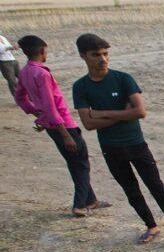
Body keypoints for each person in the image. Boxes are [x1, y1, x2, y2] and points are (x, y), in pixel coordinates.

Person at [72, 33, 164, 245]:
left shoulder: (123, 79)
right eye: (96, 55)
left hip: (136, 144)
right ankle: (151, 226)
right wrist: (122, 113)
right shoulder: (81, 87)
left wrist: (102, 113)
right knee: (131, 191)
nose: (102, 59)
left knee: (157, 187)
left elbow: (140, 112)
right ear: (83, 56)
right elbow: (88, 124)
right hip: (111, 148)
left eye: (105, 54)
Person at [14, 35, 108, 217]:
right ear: (42, 51)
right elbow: (50, 104)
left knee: (75, 162)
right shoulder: (42, 73)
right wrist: (65, 133)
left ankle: (91, 200)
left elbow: (20, 97)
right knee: (81, 164)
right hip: (63, 125)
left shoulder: (25, 72)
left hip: (51, 124)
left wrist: (37, 114)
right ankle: (79, 205)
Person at [0, 30, 19, 97]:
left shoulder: (3, 37)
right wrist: (11, 47)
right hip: (4, 62)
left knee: (22, 77)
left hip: (12, 60)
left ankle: (29, 96)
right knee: (12, 81)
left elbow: (9, 46)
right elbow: (1, 49)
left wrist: (14, 47)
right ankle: (18, 98)